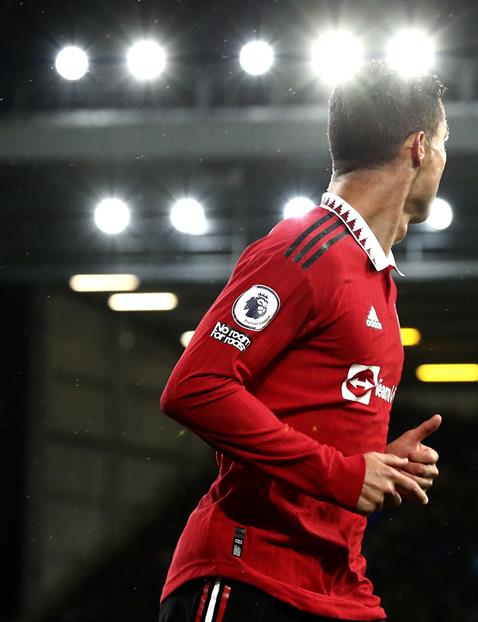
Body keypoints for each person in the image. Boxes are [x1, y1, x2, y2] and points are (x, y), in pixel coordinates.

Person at [158, 60, 448, 622]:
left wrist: (373, 464)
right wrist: (339, 473)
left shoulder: (376, 282)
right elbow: (195, 387)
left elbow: (310, 428)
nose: (445, 159)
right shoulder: (305, 249)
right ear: (418, 148)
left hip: (339, 588)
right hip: (250, 578)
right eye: (444, 142)